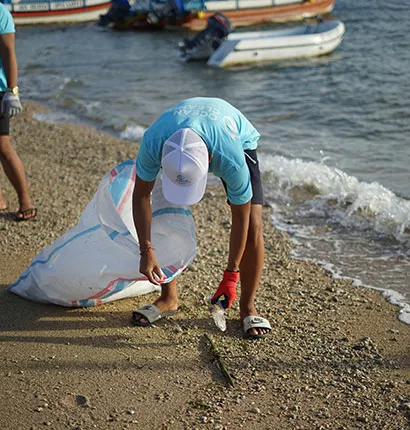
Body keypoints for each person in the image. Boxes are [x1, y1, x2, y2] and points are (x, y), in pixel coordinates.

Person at [131, 97, 271, 339]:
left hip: (232, 135)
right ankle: (168, 297)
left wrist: (231, 276)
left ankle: (247, 306)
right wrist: (146, 250)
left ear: (209, 162)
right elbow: (141, 196)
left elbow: (241, 217)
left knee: (253, 225)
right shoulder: (154, 142)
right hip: (179, 133)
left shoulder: (230, 158)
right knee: (163, 217)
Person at [0, 3, 36, 221]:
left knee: (3, 146)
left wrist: (12, 91)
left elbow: (8, 52)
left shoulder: (1, 13)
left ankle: (25, 201)